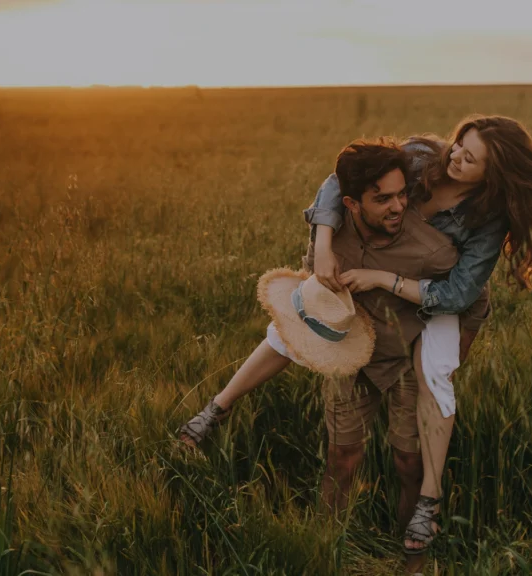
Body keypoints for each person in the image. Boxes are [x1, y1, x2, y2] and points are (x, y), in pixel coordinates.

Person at [180, 138, 492, 574]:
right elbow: (303, 315)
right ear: (351, 203)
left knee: (408, 462)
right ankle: (326, 548)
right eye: (382, 199)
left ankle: (412, 561)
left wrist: (447, 367)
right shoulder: (329, 236)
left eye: (402, 195)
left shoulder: (433, 250)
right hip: (350, 356)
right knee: (342, 456)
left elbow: (471, 299)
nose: (398, 206)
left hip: (406, 360)